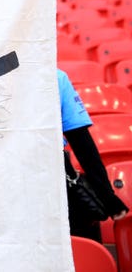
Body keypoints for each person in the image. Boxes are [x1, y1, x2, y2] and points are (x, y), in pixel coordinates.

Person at [58, 69, 128, 241]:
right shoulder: (54, 76)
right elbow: (82, 143)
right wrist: (106, 195)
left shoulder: (56, 78)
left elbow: (82, 142)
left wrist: (107, 196)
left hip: (3, 180)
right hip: (51, 180)